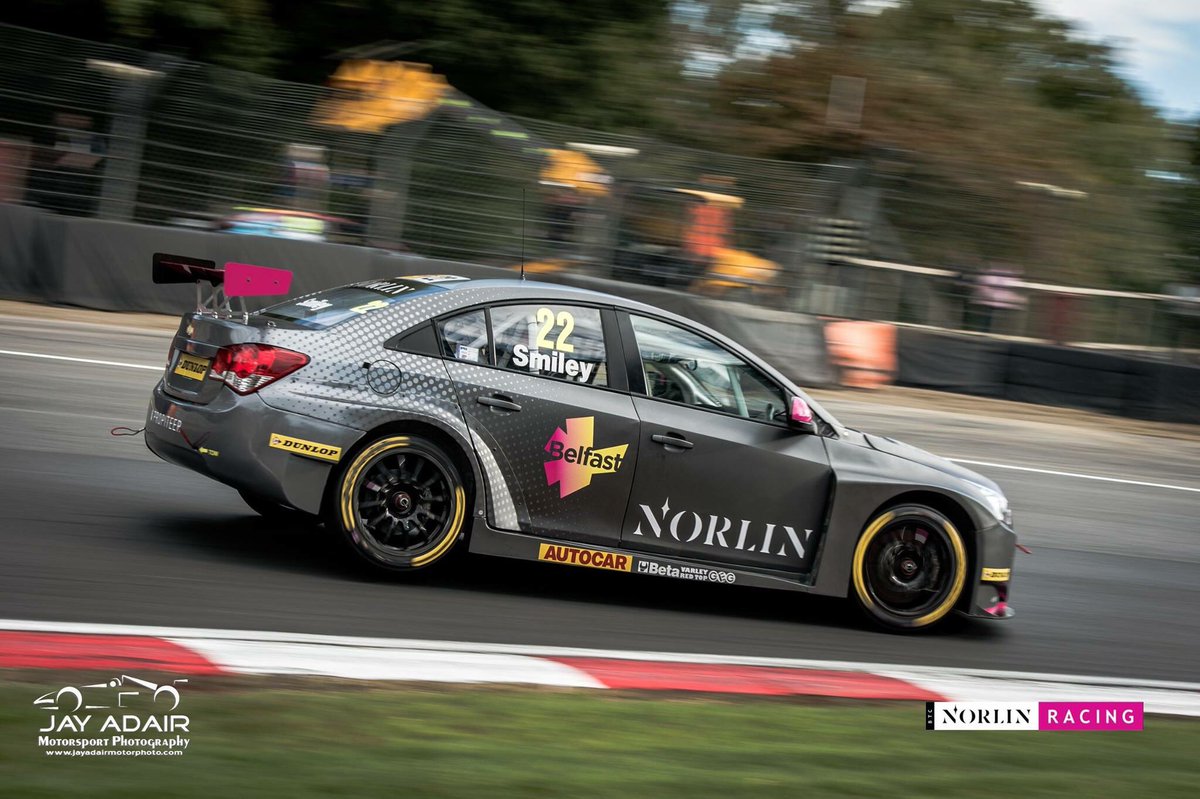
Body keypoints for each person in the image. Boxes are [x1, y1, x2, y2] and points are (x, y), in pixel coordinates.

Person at [971, 263, 1026, 334]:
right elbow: (983, 286)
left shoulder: (1011, 275)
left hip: (1000, 306)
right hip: (988, 304)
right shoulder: (989, 274)